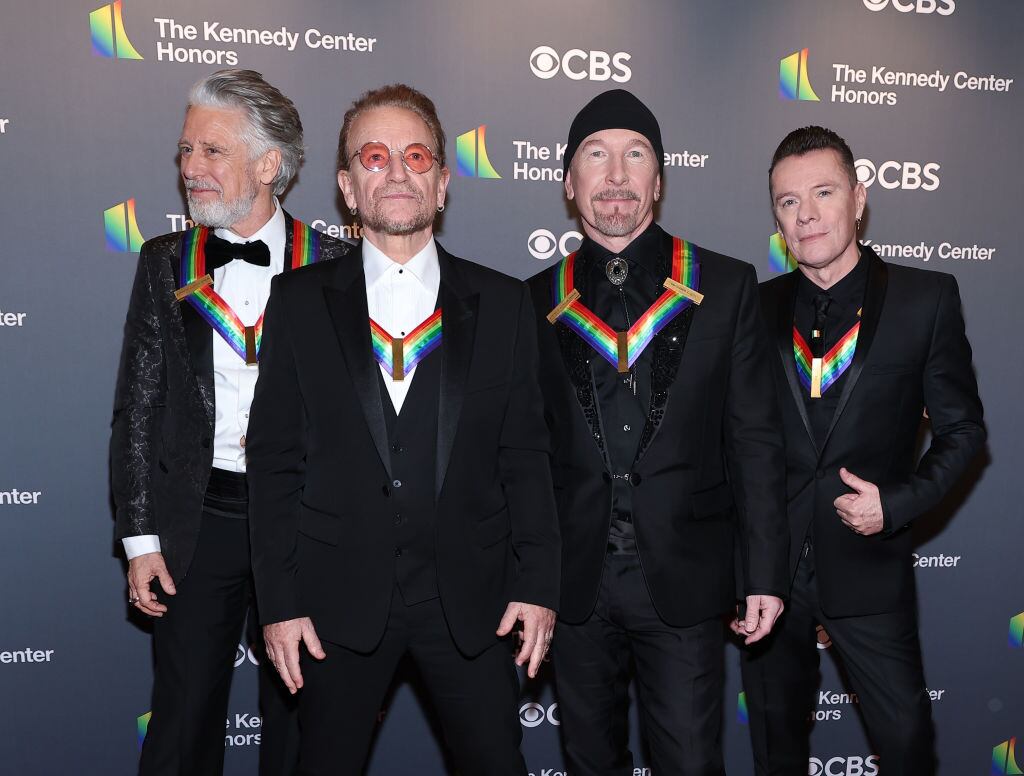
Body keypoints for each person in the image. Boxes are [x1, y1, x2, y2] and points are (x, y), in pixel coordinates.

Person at [246, 83, 561, 776]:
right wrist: (280, 603)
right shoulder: (297, 302)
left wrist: (538, 585)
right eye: (375, 156)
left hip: (471, 606)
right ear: (347, 187)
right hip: (334, 610)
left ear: (443, 183)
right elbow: (272, 464)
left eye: (416, 156)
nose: (396, 171)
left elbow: (527, 458)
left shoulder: (505, 303)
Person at [527, 88, 789, 776]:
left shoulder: (727, 287)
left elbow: (756, 440)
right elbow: (520, 456)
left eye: (635, 155)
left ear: (659, 182)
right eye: (596, 155)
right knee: (589, 763)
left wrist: (764, 571)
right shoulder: (530, 302)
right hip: (574, 586)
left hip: (684, 582)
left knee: (692, 764)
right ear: (568, 183)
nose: (616, 174)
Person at [111, 68, 350, 776]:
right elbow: (138, 406)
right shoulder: (164, 262)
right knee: (183, 719)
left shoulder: (339, 266)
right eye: (186, 151)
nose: (190, 168)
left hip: (308, 525)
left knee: (306, 719)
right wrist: (140, 537)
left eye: (211, 152)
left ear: (268, 164)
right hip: (199, 519)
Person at [740, 125, 985, 776]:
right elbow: (733, 443)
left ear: (859, 197)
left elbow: (964, 433)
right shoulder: (753, 309)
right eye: (789, 203)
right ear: (777, 219)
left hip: (869, 571)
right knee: (775, 755)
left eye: (823, 192)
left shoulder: (924, 301)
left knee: (906, 750)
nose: (808, 214)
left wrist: (896, 503)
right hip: (770, 580)